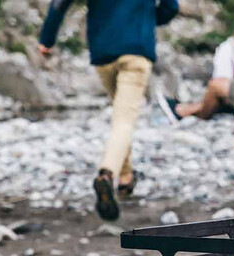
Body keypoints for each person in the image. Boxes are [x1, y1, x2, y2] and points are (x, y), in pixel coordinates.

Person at [39, 0, 179, 221]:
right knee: (125, 120)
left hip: (103, 51)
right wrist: (147, 19)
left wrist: (47, 38)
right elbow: (171, 7)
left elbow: (60, 3)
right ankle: (107, 173)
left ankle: (125, 180)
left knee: (121, 116)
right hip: (136, 49)